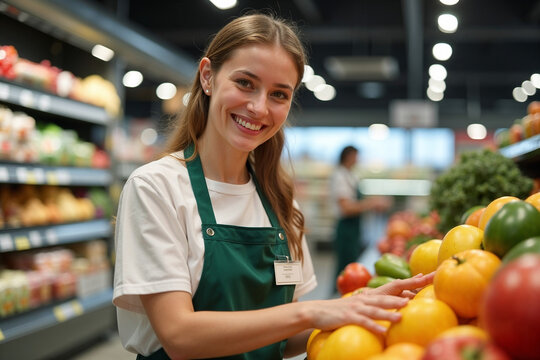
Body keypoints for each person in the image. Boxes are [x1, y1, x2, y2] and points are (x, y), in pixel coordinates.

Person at [112, 13, 433, 360]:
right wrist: (311, 312)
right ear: (208, 76)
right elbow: (179, 336)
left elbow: (280, 338)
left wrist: (361, 309)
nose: (259, 107)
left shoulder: (279, 201)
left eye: (279, 94)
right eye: (245, 83)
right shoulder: (156, 188)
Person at [330, 146, 392, 283]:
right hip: (346, 228)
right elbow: (346, 208)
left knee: (351, 267)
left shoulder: (351, 175)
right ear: (348, 156)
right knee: (345, 270)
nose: (358, 160)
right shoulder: (340, 176)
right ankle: (339, 298)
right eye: (356, 156)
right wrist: (371, 203)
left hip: (354, 227)